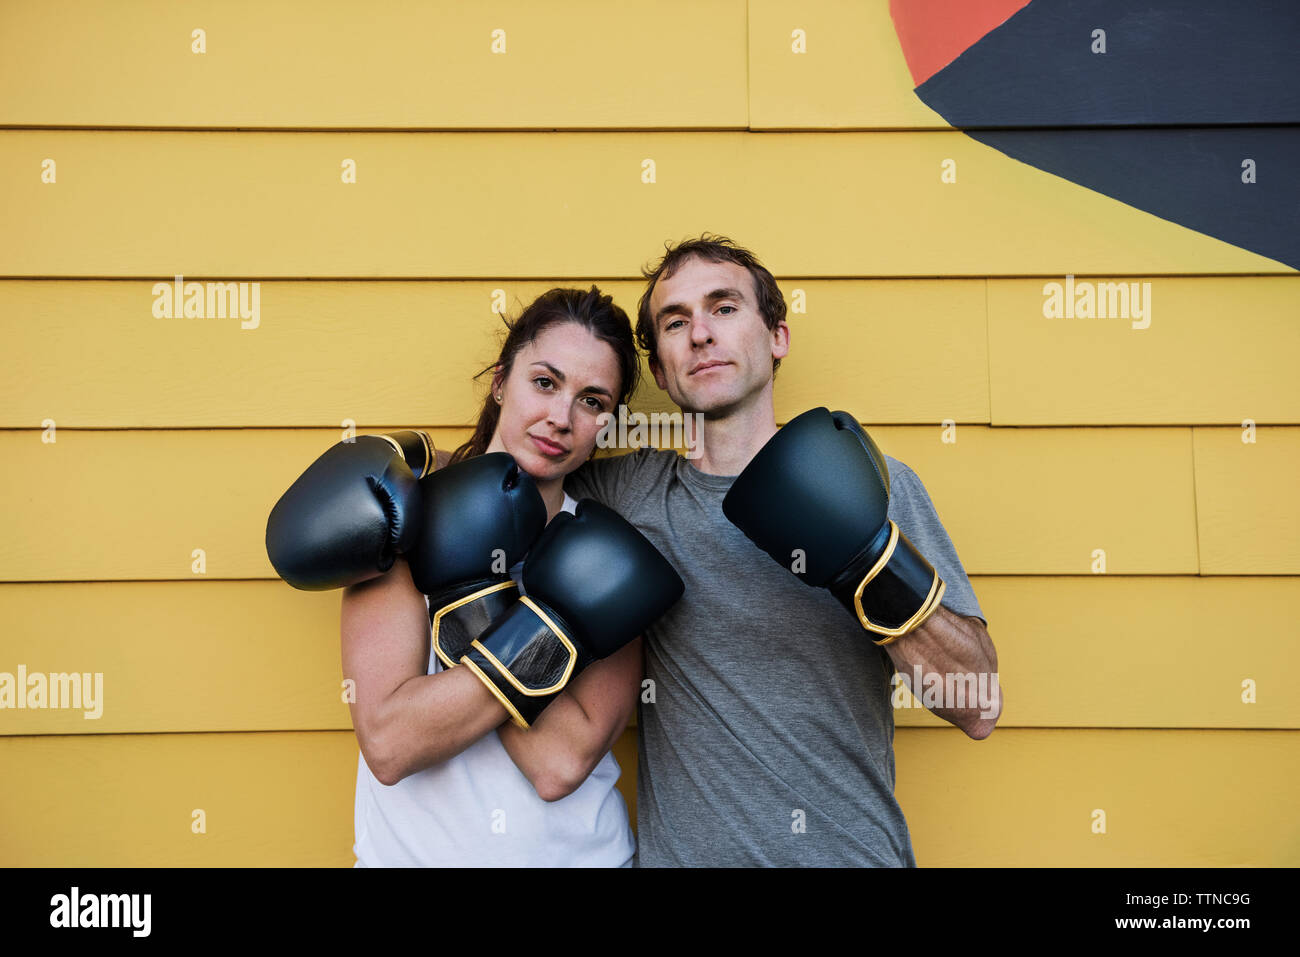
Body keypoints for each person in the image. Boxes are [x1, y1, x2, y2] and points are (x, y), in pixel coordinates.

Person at [562, 235, 1002, 866]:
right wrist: (402, 470)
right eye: (675, 321)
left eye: (724, 308)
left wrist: (865, 560)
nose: (701, 335)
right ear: (659, 369)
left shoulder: (872, 482)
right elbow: (511, 476)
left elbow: (977, 707)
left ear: (777, 338)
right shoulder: (628, 493)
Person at [266, 286, 677, 866]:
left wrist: (470, 597)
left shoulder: (606, 552)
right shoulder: (403, 518)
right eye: (544, 382)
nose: (560, 417)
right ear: (502, 380)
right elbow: (390, 743)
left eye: (591, 401)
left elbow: (558, 763)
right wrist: (540, 629)